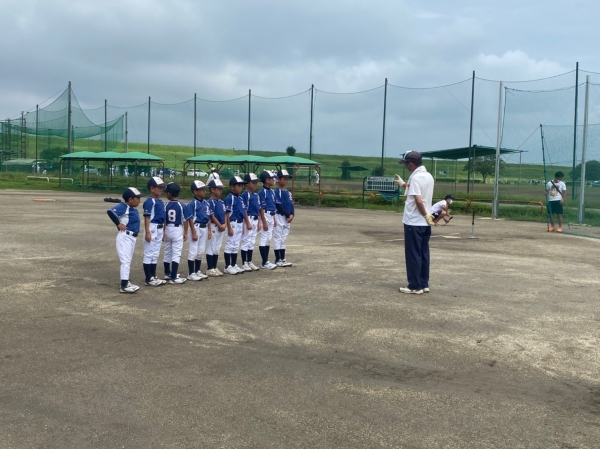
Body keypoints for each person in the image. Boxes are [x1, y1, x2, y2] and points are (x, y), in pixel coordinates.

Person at [396, 151, 435, 295]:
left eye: (406, 164)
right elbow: (418, 192)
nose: (406, 166)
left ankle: (414, 285)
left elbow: (418, 200)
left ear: (411, 164)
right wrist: (403, 184)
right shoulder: (428, 176)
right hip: (425, 223)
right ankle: (423, 283)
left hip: (414, 221)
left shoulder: (416, 177)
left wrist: (424, 214)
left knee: (413, 254)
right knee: (423, 253)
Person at [106, 187, 143, 294]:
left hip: (131, 237)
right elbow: (110, 211)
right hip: (125, 237)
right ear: (130, 199)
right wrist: (118, 224)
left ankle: (126, 282)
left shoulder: (132, 209)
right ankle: (124, 285)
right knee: (125, 261)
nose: (139, 201)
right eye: (137, 198)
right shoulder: (124, 207)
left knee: (128, 261)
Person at [163, 182, 191, 284]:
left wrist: (163, 232)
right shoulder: (181, 205)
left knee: (167, 252)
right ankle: (174, 277)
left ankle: (167, 273)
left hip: (167, 228)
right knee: (176, 253)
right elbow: (185, 220)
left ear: (169, 194)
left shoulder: (165, 206)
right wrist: (185, 232)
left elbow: (164, 221)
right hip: (177, 229)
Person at [142, 176, 167, 287]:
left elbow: (163, 218)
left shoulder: (160, 201)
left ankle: (153, 275)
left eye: (162, 188)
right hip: (152, 227)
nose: (161, 190)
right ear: (152, 188)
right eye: (159, 187)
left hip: (160, 228)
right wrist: (147, 232)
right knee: (149, 253)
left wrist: (164, 231)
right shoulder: (149, 201)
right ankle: (148, 278)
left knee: (155, 253)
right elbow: (147, 217)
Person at [186, 180, 212, 281]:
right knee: (193, 251)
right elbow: (190, 219)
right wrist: (193, 232)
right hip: (196, 227)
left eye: (204, 189)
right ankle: (191, 273)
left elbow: (208, 218)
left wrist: (209, 230)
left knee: (200, 251)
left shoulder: (206, 203)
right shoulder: (193, 203)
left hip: (204, 227)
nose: (204, 191)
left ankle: (197, 271)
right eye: (201, 189)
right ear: (195, 191)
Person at [223, 176, 250, 275]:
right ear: (232, 187)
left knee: (236, 245)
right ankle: (227, 266)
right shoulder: (229, 198)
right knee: (230, 244)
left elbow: (243, 211)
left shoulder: (240, 198)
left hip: (239, 223)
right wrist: (229, 227)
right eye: (238, 185)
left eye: (241, 186)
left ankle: (234, 264)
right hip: (233, 223)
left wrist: (242, 226)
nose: (240, 188)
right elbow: (227, 214)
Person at [240, 173, 261, 271]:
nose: (255, 184)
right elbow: (244, 209)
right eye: (253, 183)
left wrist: (259, 222)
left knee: (252, 241)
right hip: (248, 218)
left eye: (256, 183)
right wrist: (247, 222)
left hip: (255, 219)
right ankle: (244, 262)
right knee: (246, 240)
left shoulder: (256, 195)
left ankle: (249, 261)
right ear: (247, 183)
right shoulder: (245, 195)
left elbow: (258, 209)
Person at [206, 179, 227, 276]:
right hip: (214, 227)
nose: (220, 191)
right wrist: (219, 225)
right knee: (211, 247)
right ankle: (210, 268)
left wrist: (224, 224)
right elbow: (211, 216)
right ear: (212, 190)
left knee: (217, 248)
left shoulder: (221, 202)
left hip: (221, 227)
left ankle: (214, 267)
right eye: (219, 189)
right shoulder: (209, 202)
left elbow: (225, 214)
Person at [274, 169, 294, 267]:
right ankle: (277, 259)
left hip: (287, 217)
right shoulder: (276, 192)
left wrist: (292, 214)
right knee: (278, 238)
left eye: (287, 179)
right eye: (284, 178)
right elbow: (279, 205)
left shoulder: (288, 192)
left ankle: (283, 258)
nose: (286, 180)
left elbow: (291, 204)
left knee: (283, 238)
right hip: (279, 216)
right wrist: (287, 214)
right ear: (278, 179)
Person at [258, 170, 278, 270]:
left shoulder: (271, 191)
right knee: (263, 238)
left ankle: (266, 261)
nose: (274, 180)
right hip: (265, 215)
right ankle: (264, 262)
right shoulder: (262, 192)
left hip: (271, 215)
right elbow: (261, 207)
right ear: (267, 180)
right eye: (272, 179)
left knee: (268, 239)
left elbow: (273, 205)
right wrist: (264, 221)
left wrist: (274, 219)